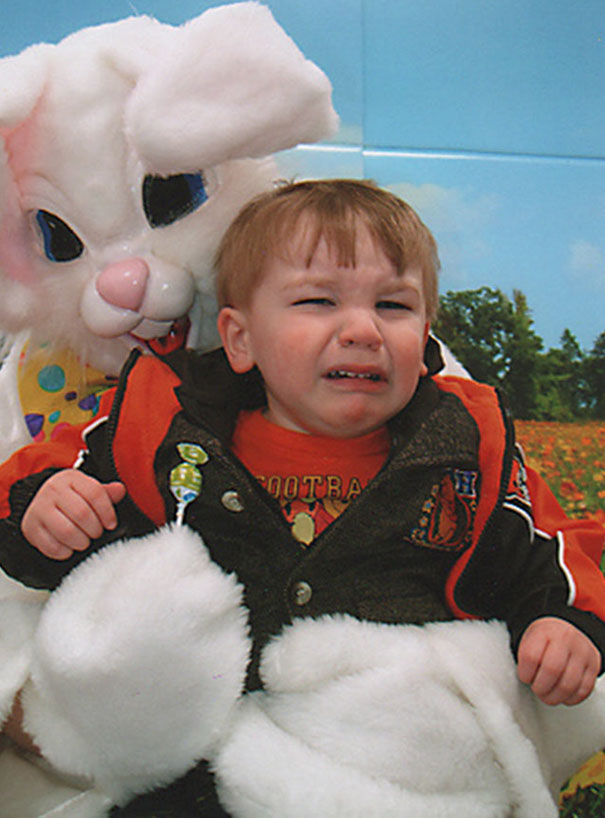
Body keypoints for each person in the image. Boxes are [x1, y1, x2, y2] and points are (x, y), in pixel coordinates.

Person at [1, 179, 605, 814]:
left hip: (388, 768)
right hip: (196, 771)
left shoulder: (466, 449)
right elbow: (28, 493)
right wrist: (48, 510)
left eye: (394, 305)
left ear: (426, 336)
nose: (363, 329)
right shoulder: (160, 426)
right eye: (318, 301)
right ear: (240, 339)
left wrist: (563, 622)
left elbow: (550, 550)